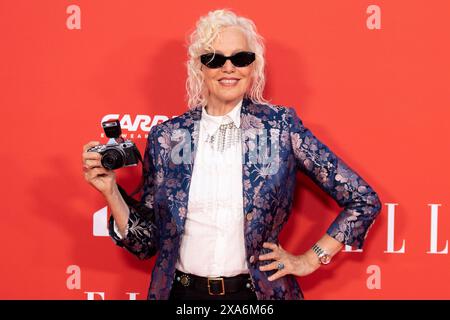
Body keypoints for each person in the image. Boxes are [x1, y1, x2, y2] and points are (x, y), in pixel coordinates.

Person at [82, 9, 381, 300]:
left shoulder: (280, 128)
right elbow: (145, 243)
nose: (229, 68)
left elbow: (363, 199)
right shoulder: (167, 138)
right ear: (199, 66)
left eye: (240, 58)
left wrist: (310, 259)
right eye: (214, 59)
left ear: (253, 66)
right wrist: (111, 192)